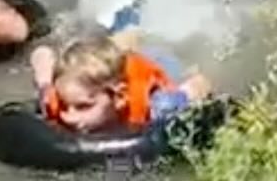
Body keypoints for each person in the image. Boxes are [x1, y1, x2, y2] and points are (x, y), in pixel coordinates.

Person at [30, 29, 211, 132]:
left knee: (142, 46)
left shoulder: (160, 107)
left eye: (84, 106)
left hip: (154, 63)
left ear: (119, 98)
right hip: (111, 70)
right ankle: (122, 38)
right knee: (108, 51)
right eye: (65, 105)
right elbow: (41, 53)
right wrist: (45, 84)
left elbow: (200, 83)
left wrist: (193, 94)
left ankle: (132, 34)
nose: (68, 117)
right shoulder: (60, 97)